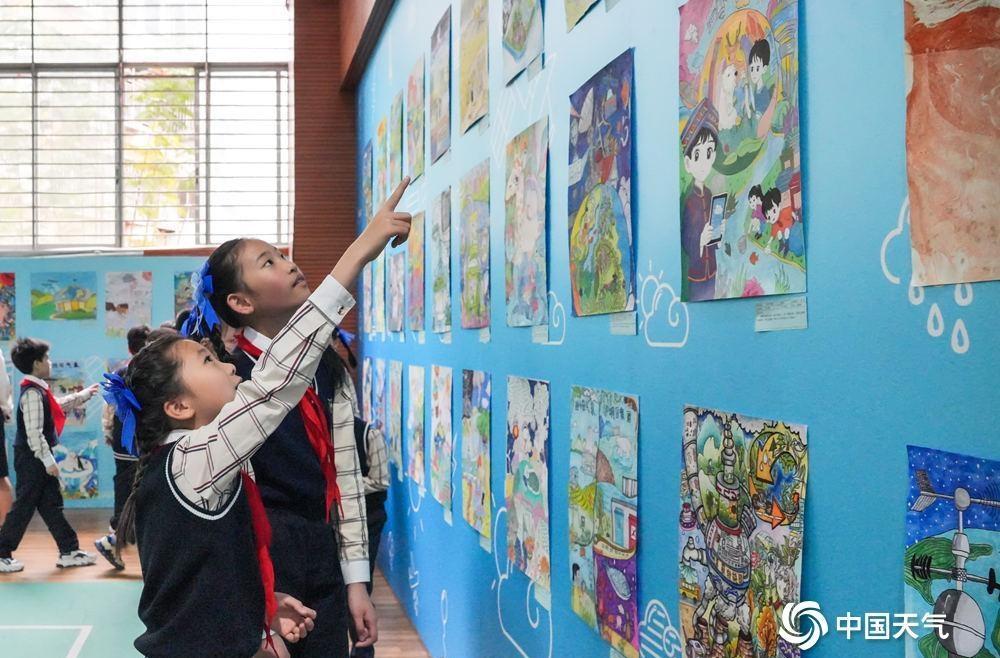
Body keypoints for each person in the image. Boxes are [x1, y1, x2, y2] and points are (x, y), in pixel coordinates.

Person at [109, 176, 411, 658]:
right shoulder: (195, 458)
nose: (228, 365)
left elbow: (216, 571)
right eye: (208, 361)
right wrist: (358, 252)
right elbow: (273, 387)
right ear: (180, 407)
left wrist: (264, 604)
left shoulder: (194, 458)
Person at [0, 338, 100, 573]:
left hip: (35, 456)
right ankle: (2, 551)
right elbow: (34, 432)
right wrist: (48, 461)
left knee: (51, 504)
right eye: (46, 358)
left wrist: (83, 395)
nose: (50, 362)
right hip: (31, 458)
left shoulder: (38, 390)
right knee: (24, 506)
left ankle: (69, 550)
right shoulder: (32, 394)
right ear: (37, 364)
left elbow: (55, 406)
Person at [94, 324, 151, 570]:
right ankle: (114, 538)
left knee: (127, 489)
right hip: (140, 442)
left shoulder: (120, 372)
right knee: (136, 491)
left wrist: (108, 431)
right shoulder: (149, 373)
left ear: (129, 348)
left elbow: (108, 406)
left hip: (122, 440)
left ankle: (116, 537)